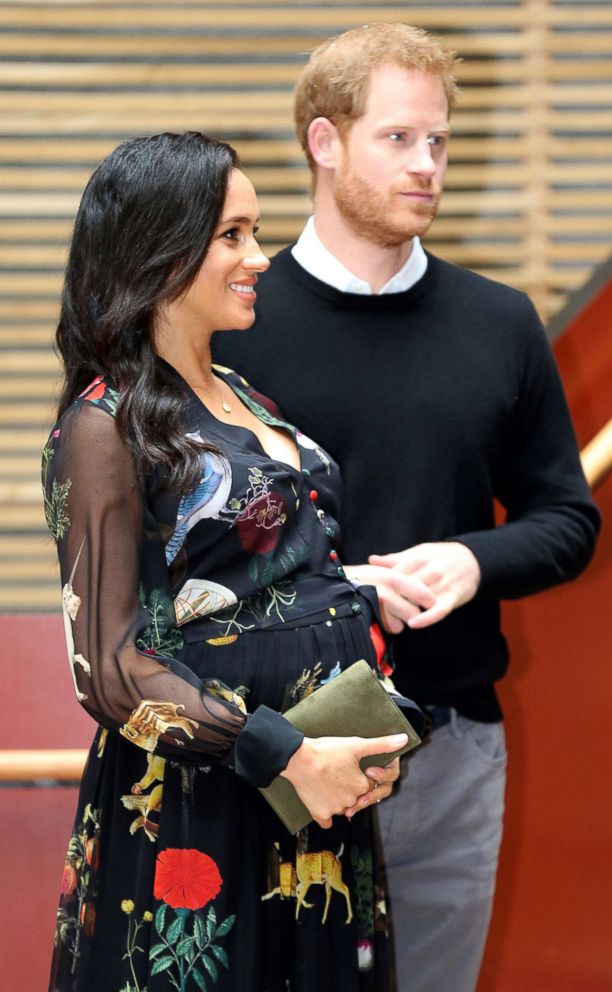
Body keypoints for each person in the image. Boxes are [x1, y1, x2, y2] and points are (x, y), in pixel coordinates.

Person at [212, 23, 601, 992]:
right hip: (278, 740)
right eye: (397, 139)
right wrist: (331, 585)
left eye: (439, 141)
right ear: (323, 141)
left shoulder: (500, 322)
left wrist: (474, 560)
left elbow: (565, 519)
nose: (427, 164)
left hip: (453, 741)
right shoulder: (230, 323)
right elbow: (168, 549)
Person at [42, 130, 430, 992]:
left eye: (255, 230)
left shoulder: (243, 394)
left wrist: (356, 591)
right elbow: (107, 671)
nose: (260, 256)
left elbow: (243, 577)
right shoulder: (105, 426)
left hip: (316, 795)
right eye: (232, 236)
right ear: (157, 250)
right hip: (205, 802)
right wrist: (285, 754)